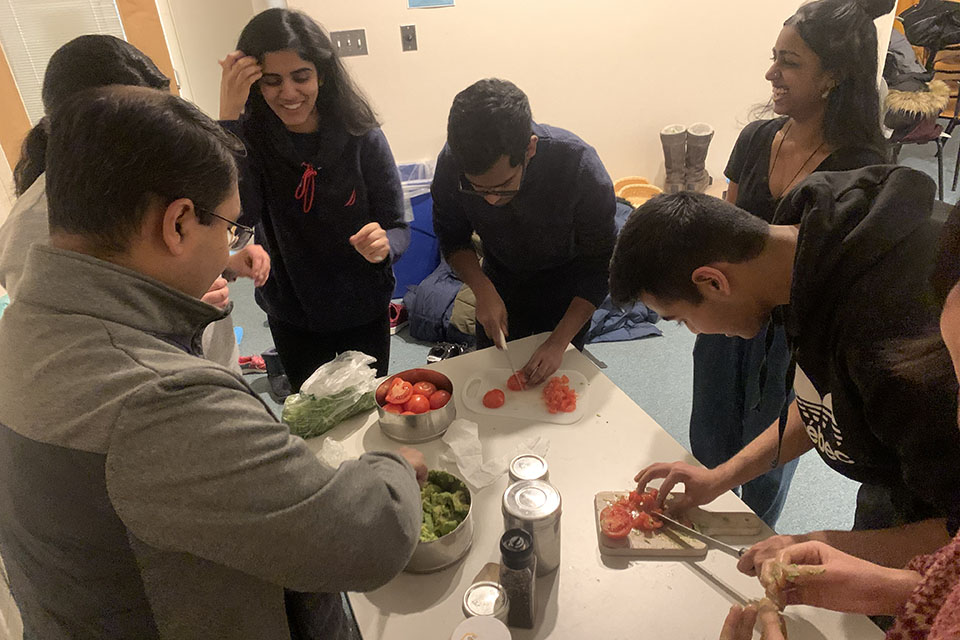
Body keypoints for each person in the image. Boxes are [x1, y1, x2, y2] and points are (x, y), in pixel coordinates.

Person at [0, 85, 425, 639]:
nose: (233, 244)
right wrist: (393, 469)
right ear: (177, 223)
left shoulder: (20, 331)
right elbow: (368, 537)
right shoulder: (160, 402)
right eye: (229, 228)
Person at [608, 171, 960, 575]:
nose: (690, 332)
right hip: (894, 482)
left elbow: (952, 534)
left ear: (713, 282)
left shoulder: (897, 330)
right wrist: (719, 478)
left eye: (681, 320)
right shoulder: (803, 258)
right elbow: (822, 403)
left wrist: (815, 545)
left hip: (934, 522)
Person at [690, 0, 893, 527]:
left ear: (833, 77)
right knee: (708, 438)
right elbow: (723, 230)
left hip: (795, 339)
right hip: (726, 317)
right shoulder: (758, 138)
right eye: (773, 56)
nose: (770, 73)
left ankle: (746, 545)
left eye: (790, 62)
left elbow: (849, 286)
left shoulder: (863, 168)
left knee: (764, 461)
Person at [719, 209, 960, 640]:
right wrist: (886, 591)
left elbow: (947, 528)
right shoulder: (818, 294)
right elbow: (820, 402)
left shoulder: (886, 339)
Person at [0, 35, 270, 373]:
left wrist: (226, 262)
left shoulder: (137, 174)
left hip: (205, 363)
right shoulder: (40, 222)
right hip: (165, 380)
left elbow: (159, 256)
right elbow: (76, 347)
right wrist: (176, 309)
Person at [218, 8, 410, 391]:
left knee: (370, 405)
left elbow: (400, 226)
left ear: (322, 74)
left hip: (362, 306)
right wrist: (227, 119)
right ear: (256, 84)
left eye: (301, 77)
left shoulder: (361, 135)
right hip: (292, 310)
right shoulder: (250, 141)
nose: (289, 93)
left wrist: (384, 244)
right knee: (312, 415)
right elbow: (236, 219)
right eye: (272, 81)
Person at [430, 78, 616, 384]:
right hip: (498, 280)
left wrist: (559, 343)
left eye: (502, 187)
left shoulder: (578, 166)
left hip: (566, 288)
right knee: (494, 384)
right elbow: (452, 236)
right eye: (478, 189)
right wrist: (481, 287)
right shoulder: (453, 162)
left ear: (529, 148)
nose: (490, 199)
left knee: (557, 389)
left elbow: (600, 266)